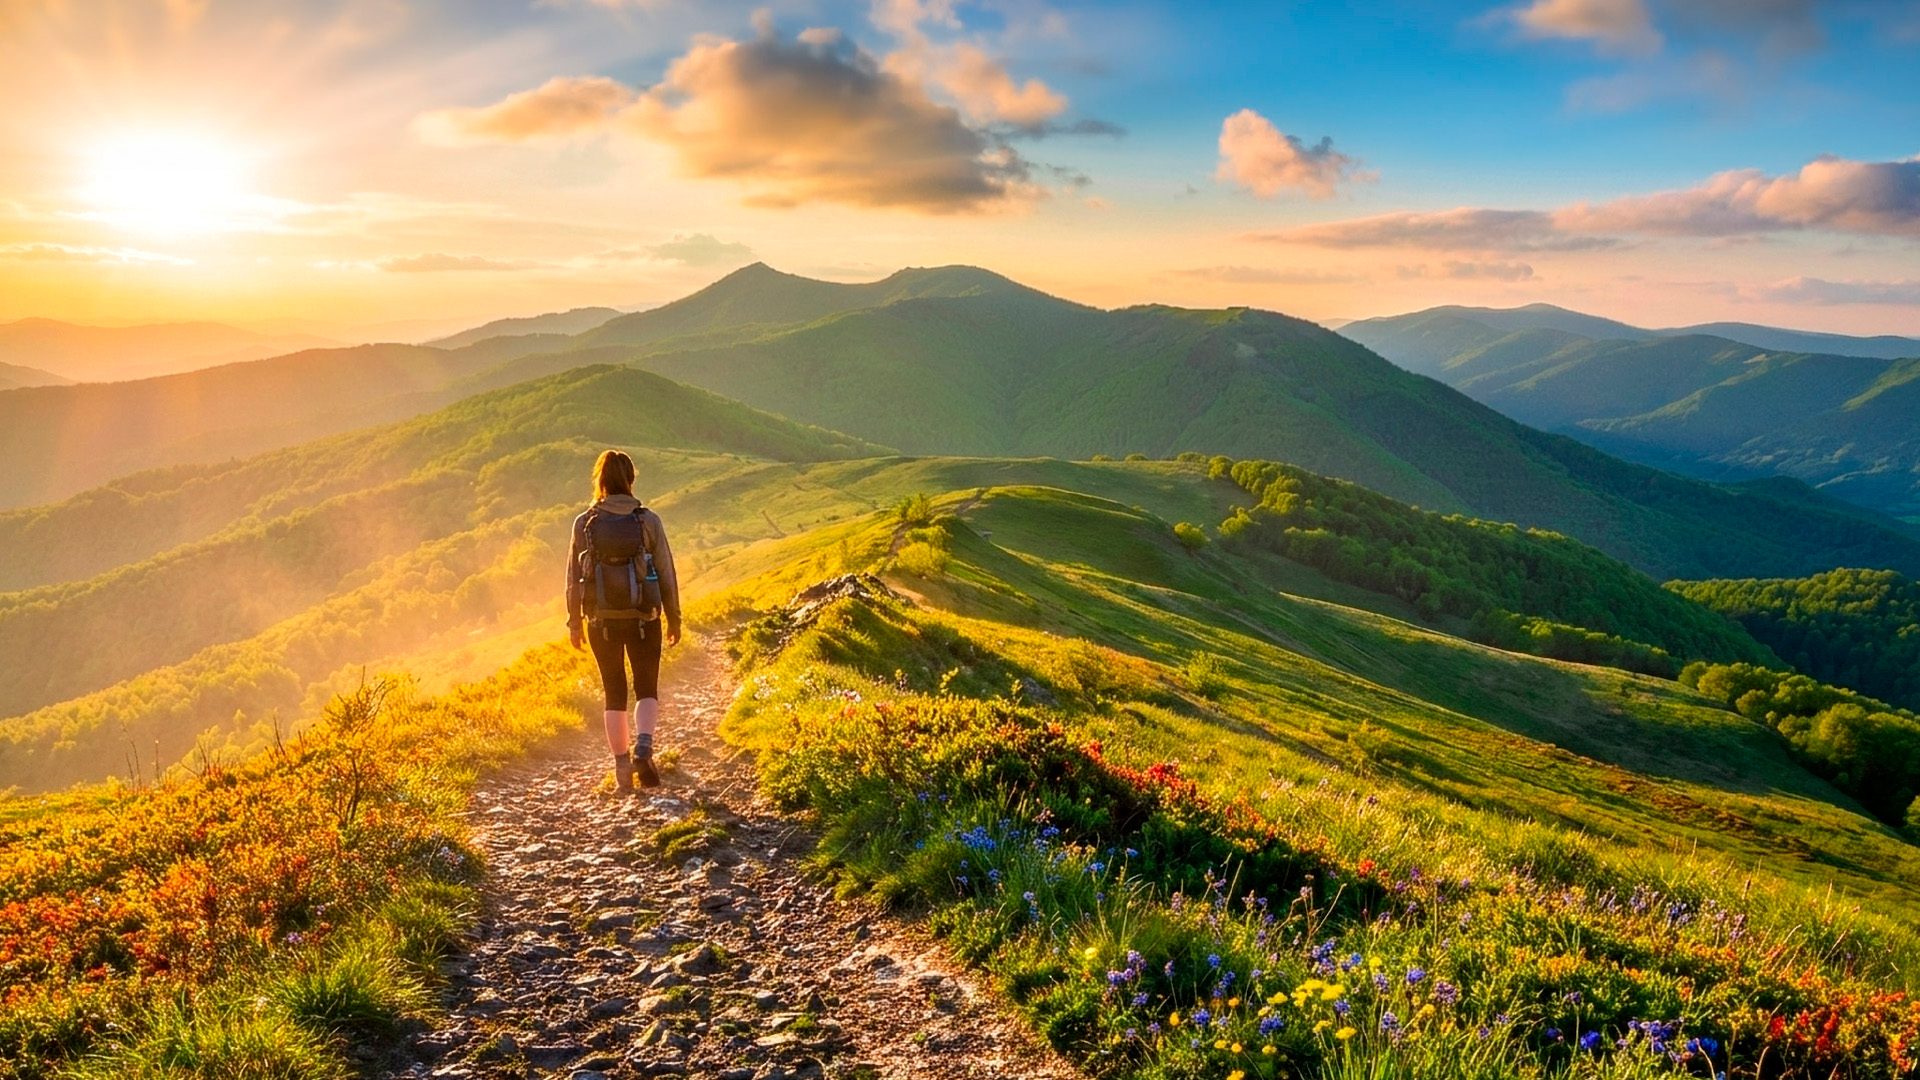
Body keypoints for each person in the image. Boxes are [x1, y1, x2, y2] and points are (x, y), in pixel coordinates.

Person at [566, 449, 682, 792]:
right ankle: (644, 748)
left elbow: (573, 578)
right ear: (631, 479)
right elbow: (665, 572)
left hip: (600, 620)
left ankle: (621, 766)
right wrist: (673, 617)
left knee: (613, 691)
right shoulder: (648, 521)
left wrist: (574, 622)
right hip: (644, 616)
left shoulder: (584, 523)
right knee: (646, 687)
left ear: (600, 480)